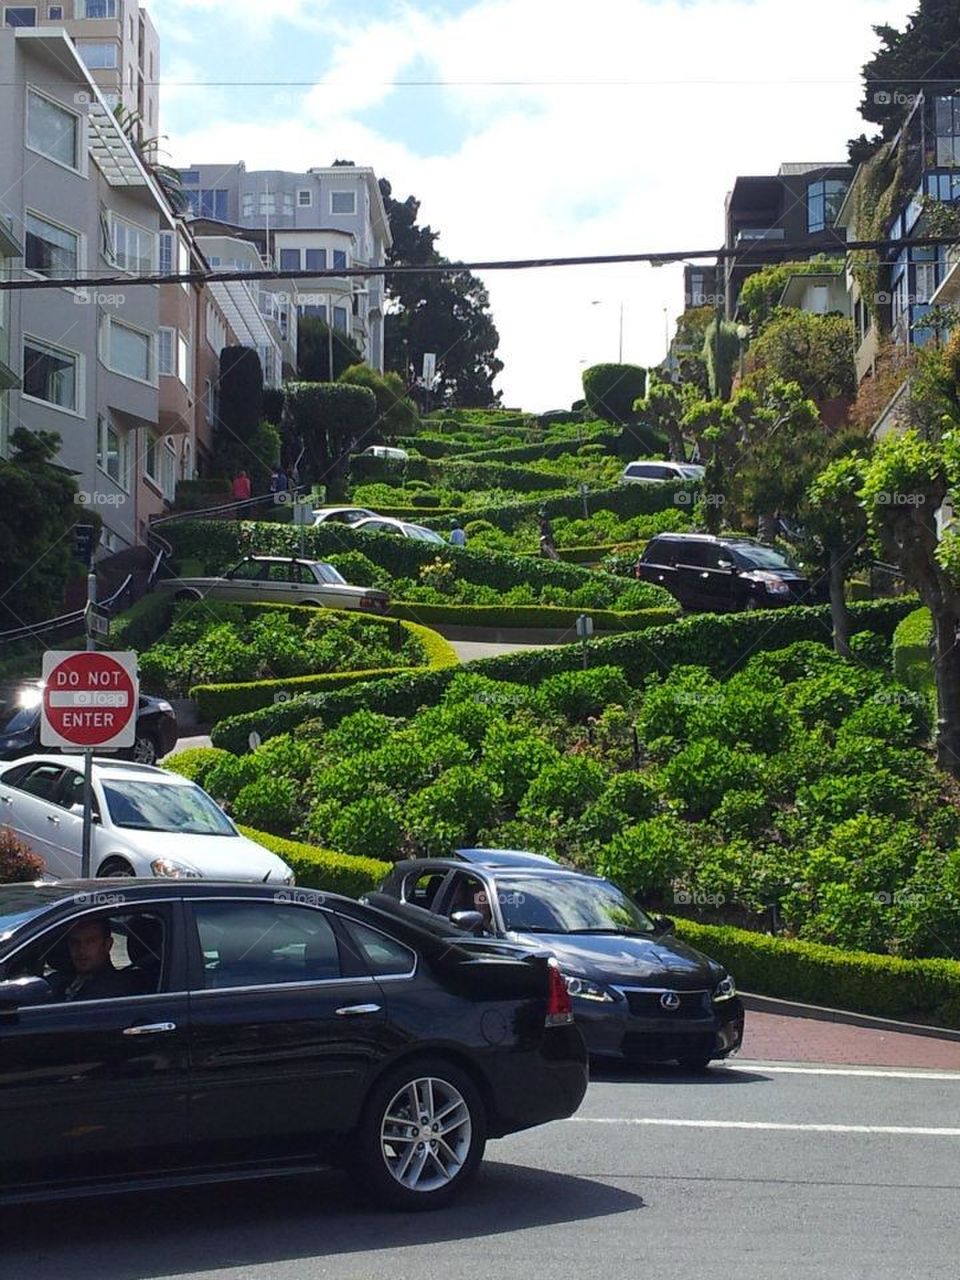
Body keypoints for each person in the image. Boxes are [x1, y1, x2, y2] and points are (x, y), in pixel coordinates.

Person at [49, 918, 139, 1003]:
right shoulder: (58, 981)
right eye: (74, 942)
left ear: (108, 945)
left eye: (91, 941)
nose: (81, 950)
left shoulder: (115, 989)